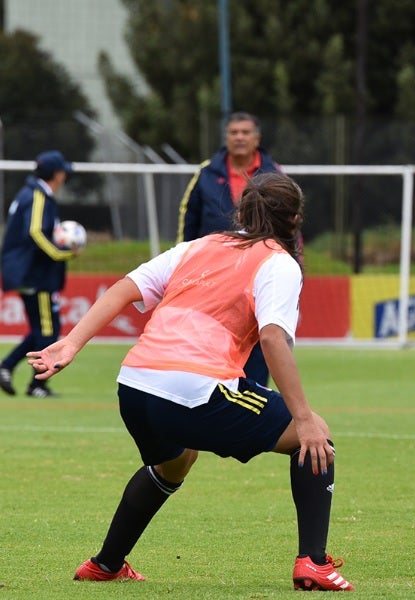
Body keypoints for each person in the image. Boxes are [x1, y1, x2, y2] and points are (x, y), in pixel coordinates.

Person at [28, 172, 353, 591]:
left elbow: (123, 289)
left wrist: (71, 343)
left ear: (241, 212)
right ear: (294, 220)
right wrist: (304, 417)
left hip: (135, 386)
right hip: (195, 389)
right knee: (316, 437)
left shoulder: (198, 247)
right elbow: (273, 337)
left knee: (175, 462)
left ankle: (105, 564)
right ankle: (314, 563)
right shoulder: (279, 262)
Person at [176, 111, 281, 387]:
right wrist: (181, 267)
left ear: (257, 138)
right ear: (226, 137)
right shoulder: (206, 173)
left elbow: (289, 224)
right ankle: (207, 398)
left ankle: (256, 398)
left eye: (246, 132)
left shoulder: (274, 174)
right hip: (212, 274)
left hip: (258, 272)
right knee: (207, 338)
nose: (239, 137)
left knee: (258, 339)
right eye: (234, 132)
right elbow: (188, 219)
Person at [0, 150, 80, 398]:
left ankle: (6, 367)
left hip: (29, 272)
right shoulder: (37, 195)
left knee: (41, 329)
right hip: (36, 274)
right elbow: (35, 231)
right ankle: (37, 384)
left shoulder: (31, 193)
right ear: (57, 174)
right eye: (63, 172)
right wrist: (60, 253)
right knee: (47, 330)